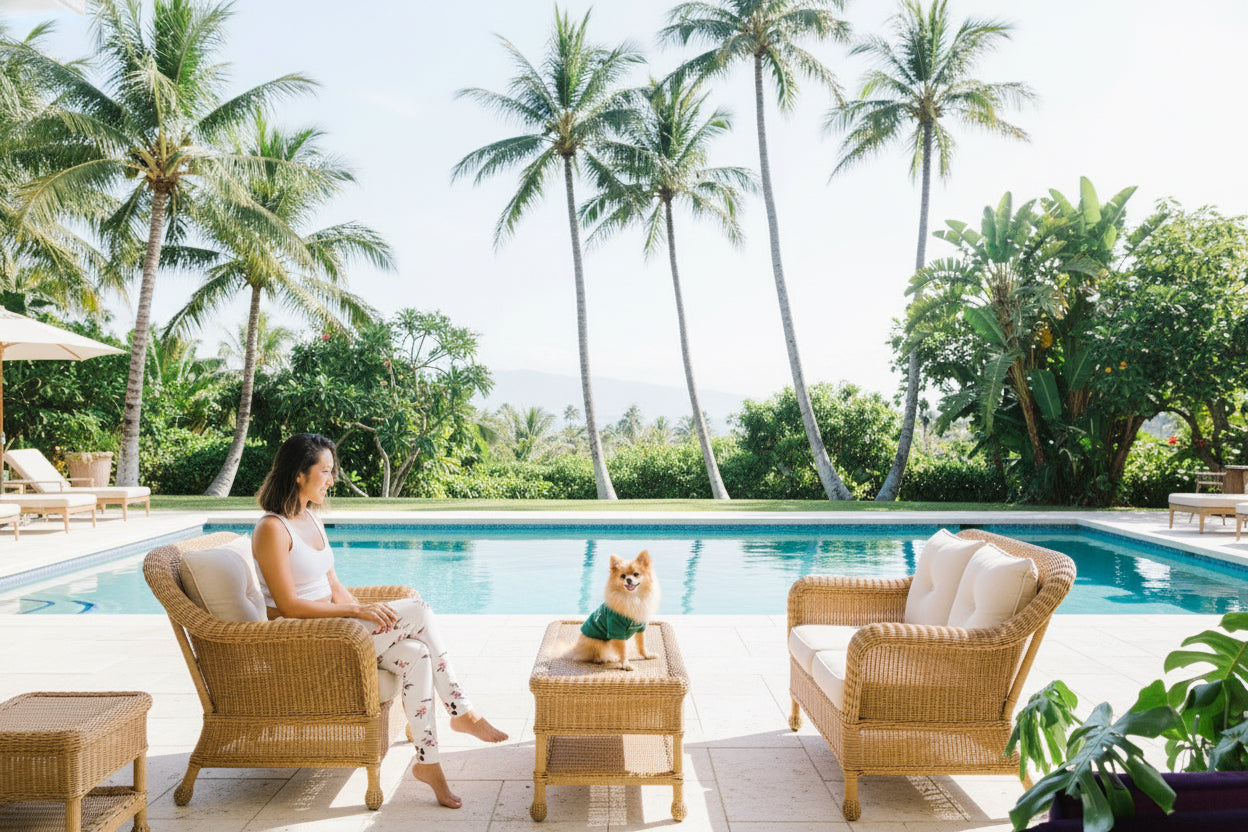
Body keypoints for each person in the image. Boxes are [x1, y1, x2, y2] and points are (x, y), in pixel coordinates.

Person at [251, 432, 506, 809]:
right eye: (325, 471)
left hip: (340, 631)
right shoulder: (272, 528)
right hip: (308, 640)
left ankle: (428, 763)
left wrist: (365, 612)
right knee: (417, 609)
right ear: (298, 474)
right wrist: (356, 612)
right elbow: (288, 605)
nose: (332, 480)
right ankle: (463, 711)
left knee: (416, 653)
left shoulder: (310, 517)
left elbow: (333, 585)